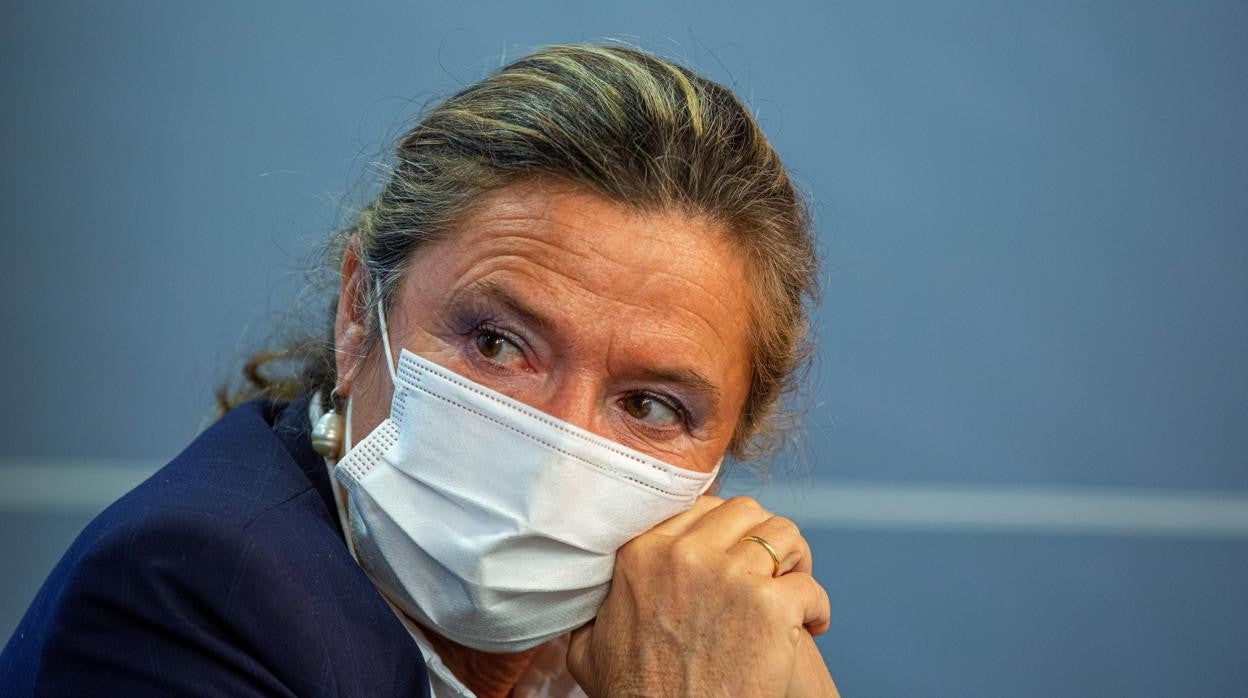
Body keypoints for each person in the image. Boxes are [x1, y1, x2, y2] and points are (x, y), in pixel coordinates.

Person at [1, 43, 837, 697]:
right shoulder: (194, 592)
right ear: (358, 311)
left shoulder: (669, 637)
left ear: (726, 452)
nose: (557, 450)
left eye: (650, 405)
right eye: (498, 344)